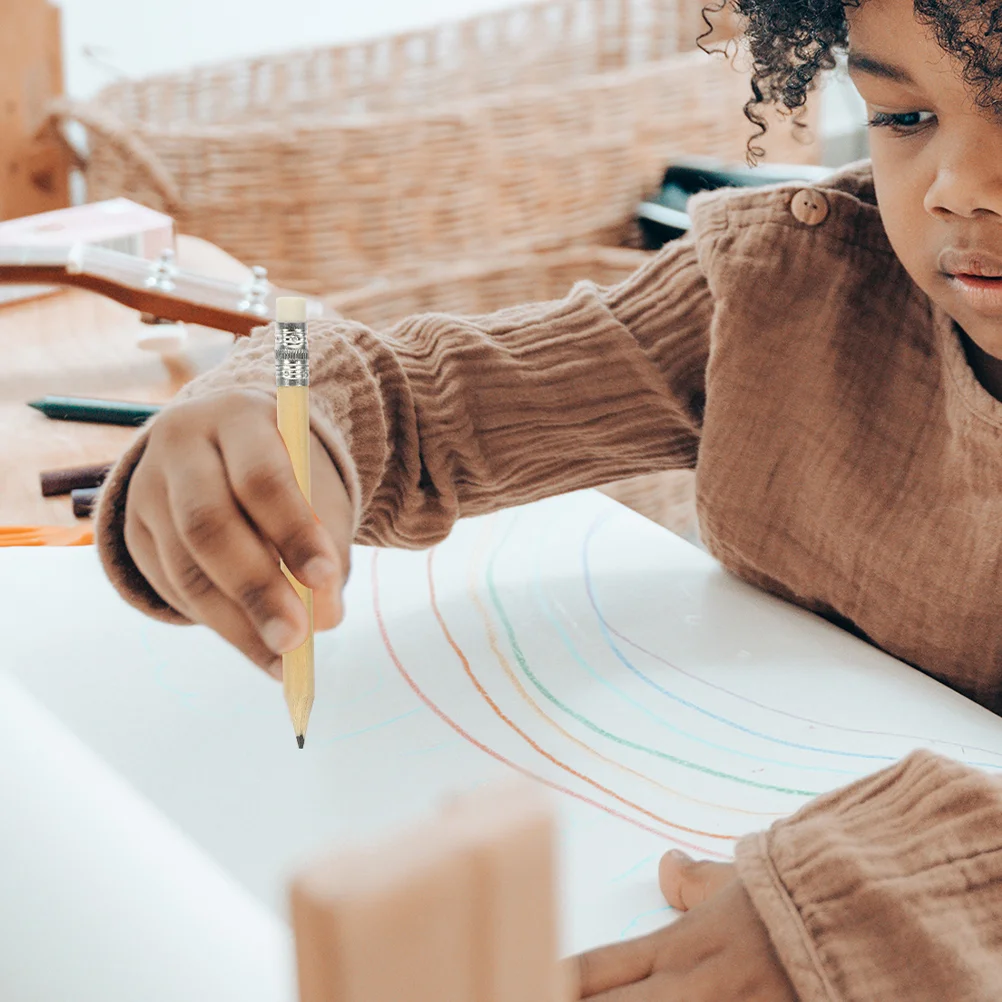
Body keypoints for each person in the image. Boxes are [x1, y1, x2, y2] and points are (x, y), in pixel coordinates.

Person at [95, 0, 1002, 997]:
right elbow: (422, 395)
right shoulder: (799, 285)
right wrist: (271, 406)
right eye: (904, 117)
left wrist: (899, 905)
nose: (957, 189)